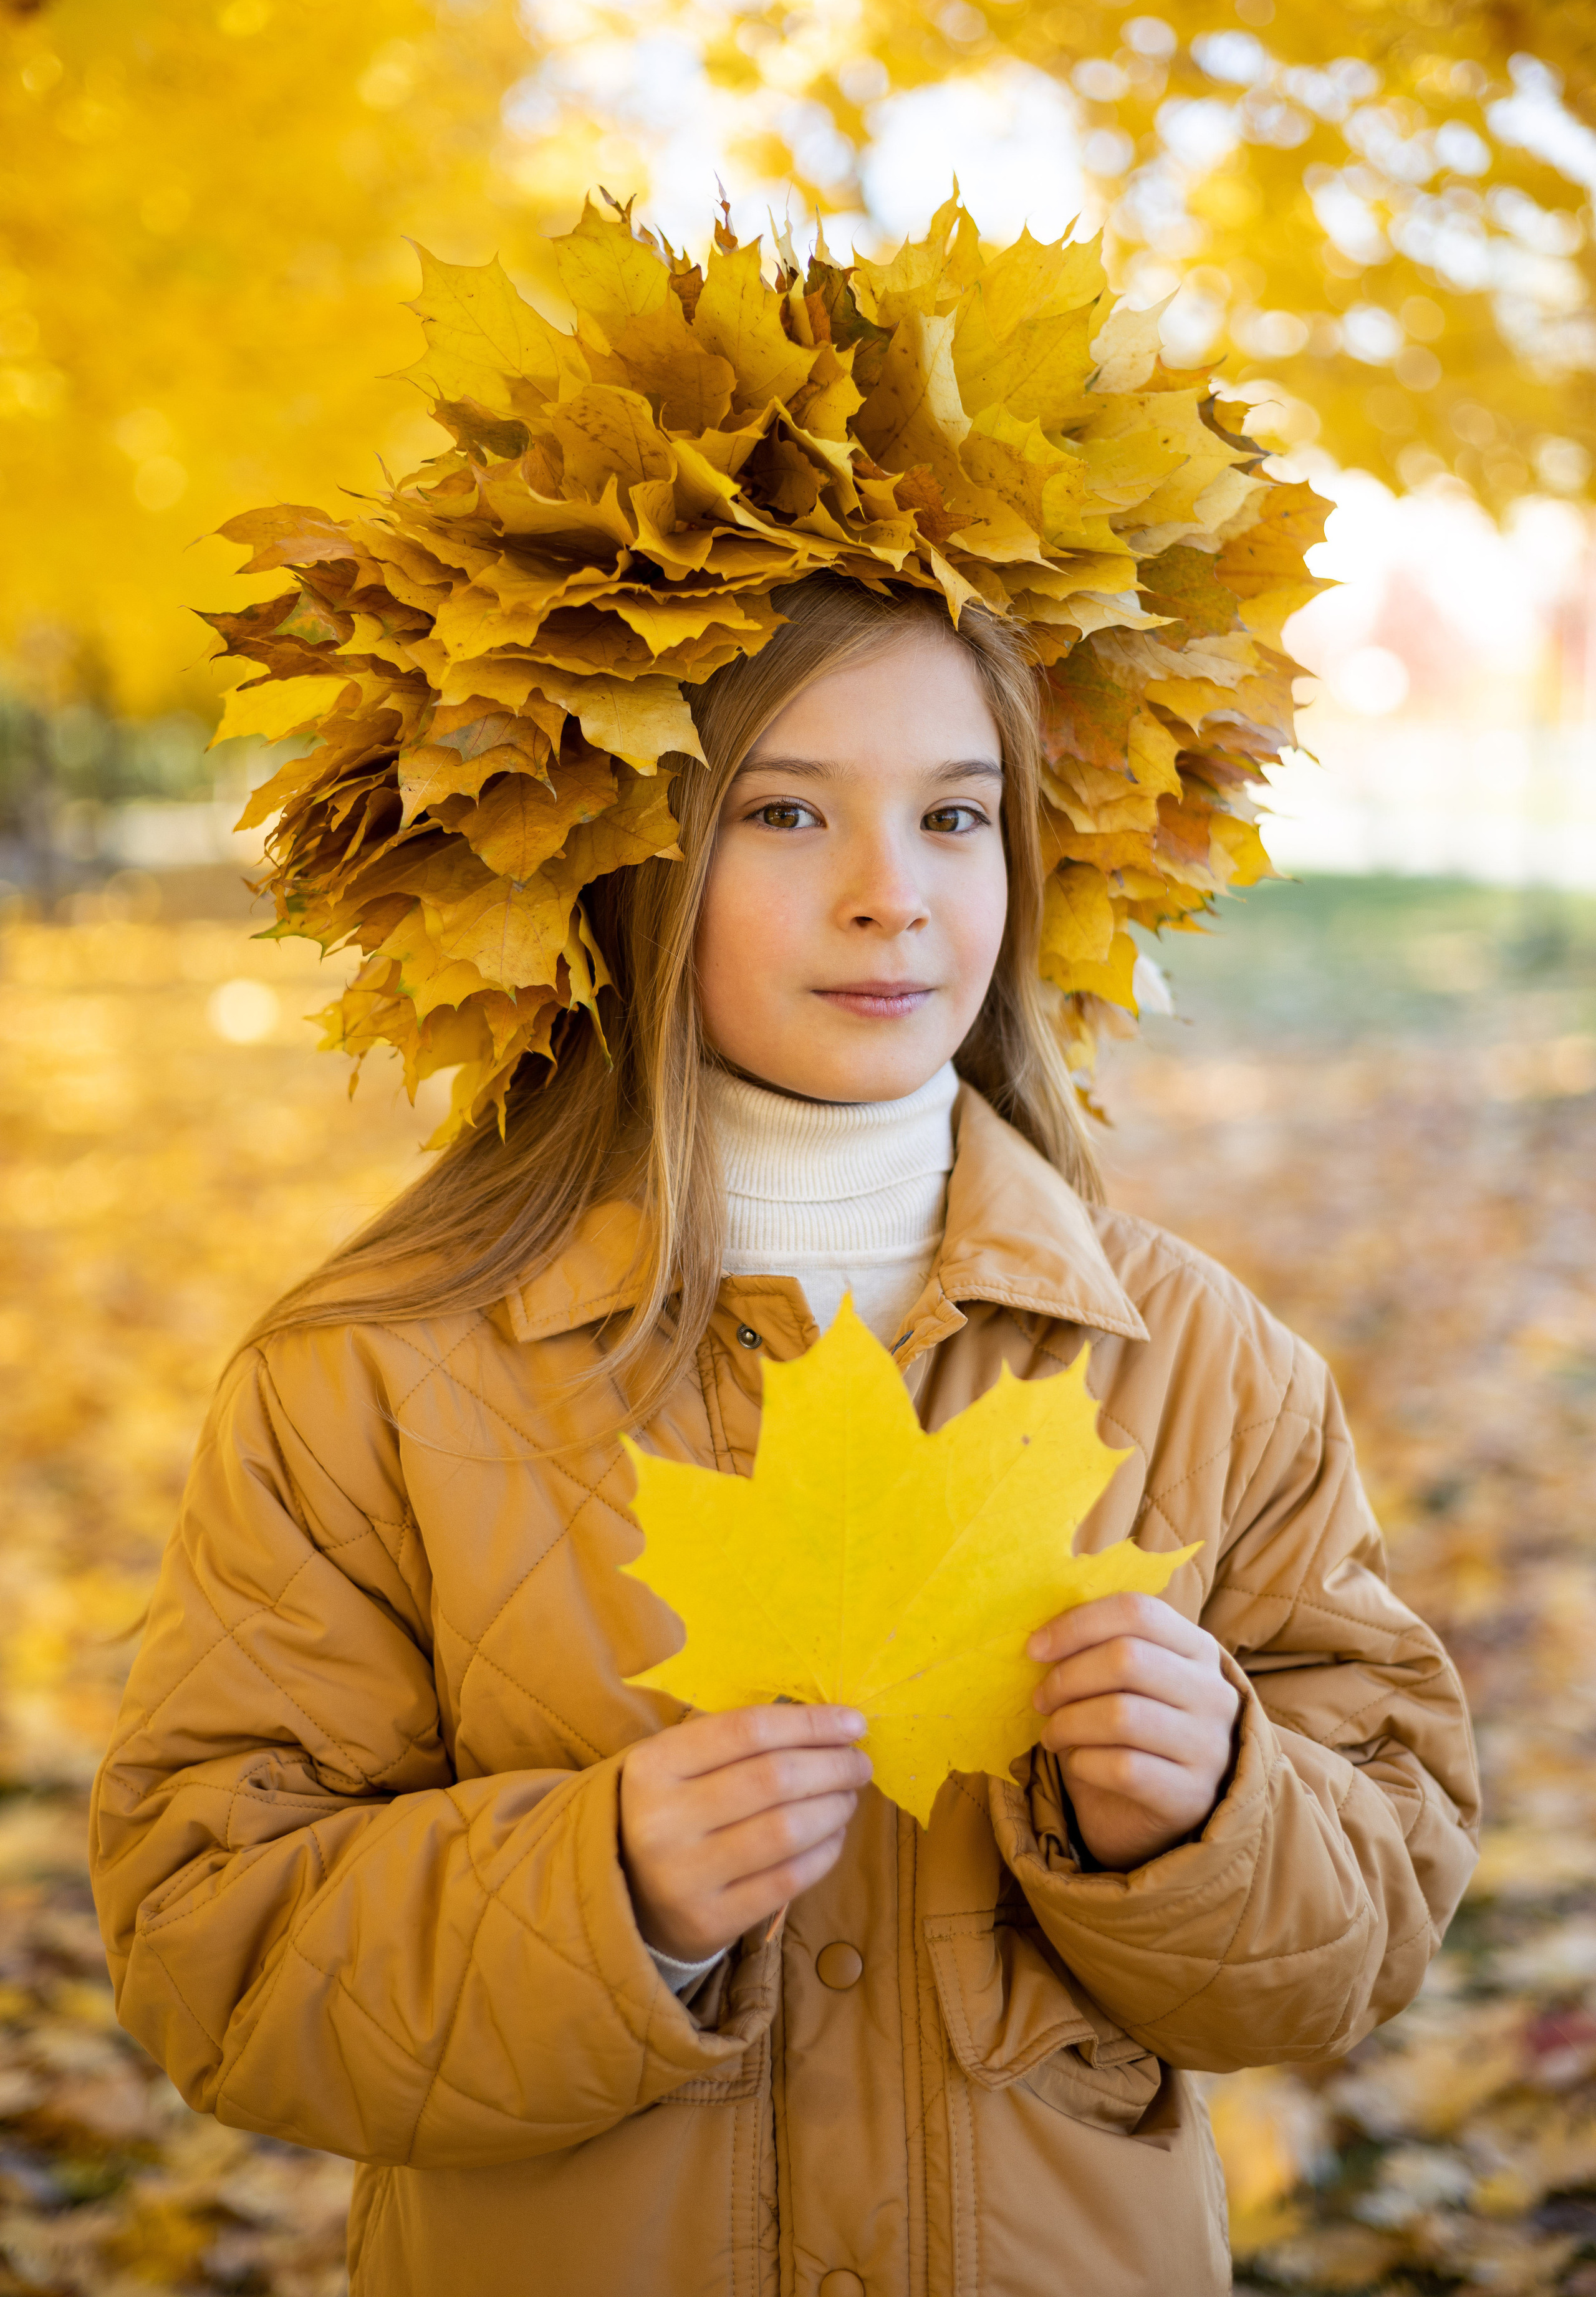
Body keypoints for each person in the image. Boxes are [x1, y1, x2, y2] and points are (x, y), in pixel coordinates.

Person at [90, 575, 1479, 2295]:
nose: (891, 896)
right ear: (619, 853)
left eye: (955, 815)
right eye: (785, 811)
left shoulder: (1205, 1368)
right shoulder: (369, 1381)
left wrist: (1209, 1816)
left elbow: (1372, 1915)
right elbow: (211, 1944)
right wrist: (603, 1900)